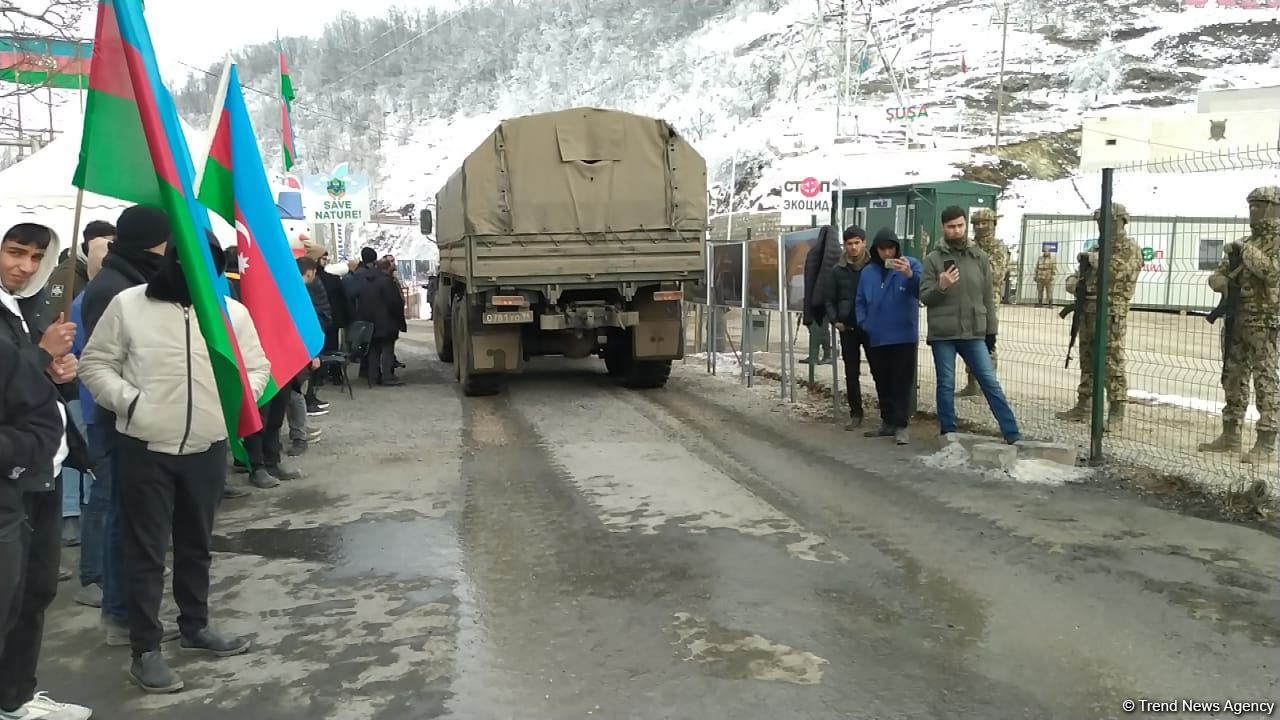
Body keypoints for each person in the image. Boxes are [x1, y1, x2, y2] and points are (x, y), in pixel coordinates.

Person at [80, 235, 270, 694]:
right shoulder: (129, 305)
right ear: (169, 259)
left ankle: (195, 626)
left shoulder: (230, 313)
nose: (194, 270)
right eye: (185, 259)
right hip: (145, 447)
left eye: (207, 262)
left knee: (196, 544)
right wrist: (132, 403)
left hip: (206, 447)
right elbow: (94, 365)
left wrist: (231, 408)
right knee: (144, 553)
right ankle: (145, 650)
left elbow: (257, 368)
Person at [0, 222, 93, 720]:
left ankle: (15, 696)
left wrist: (59, 373)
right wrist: (41, 354)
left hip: (43, 472)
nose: (26, 267)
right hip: (11, 479)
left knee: (35, 591)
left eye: (36, 258)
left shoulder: (19, 308)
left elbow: (27, 390)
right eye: (15, 253)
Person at [920, 207, 1021, 445]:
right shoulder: (933, 260)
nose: (956, 230)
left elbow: (988, 298)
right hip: (943, 333)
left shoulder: (979, 257)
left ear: (965, 226)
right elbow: (925, 296)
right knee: (946, 383)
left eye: (960, 225)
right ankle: (948, 432)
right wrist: (941, 285)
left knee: (989, 380)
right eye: (951, 226)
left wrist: (991, 332)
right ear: (943, 228)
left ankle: (1012, 433)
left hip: (973, 332)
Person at [1199, 186, 1279, 465]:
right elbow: (1217, 275)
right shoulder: (1243, 242)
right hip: (1236, 319)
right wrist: (1219, 281)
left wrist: (1246, 251)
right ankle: (1230, 433)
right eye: (1252, 206)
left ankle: (1266, 440)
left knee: (1265, 381)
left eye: (1260, 205)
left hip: (1265, 322)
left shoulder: (1271, 244)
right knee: (1233, 377)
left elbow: (1270, 272)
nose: (1254, 211)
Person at [1054, 203, 1142, 431]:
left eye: (1108, 221)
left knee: (1111, 360)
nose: (1103, 226)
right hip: (1088, 309)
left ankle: (1116, 410)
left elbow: (1117, 272)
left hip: (1111, 310)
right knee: (1087, 359)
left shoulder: (1129, 248)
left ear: (1121, 221)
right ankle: (1084, 404)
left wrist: (1095, 261)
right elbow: (1076, 276)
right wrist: (1074, 283)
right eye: (1099, 221)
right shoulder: (1096, 247)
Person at [856, 229, 923, 445]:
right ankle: (887, 422)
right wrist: (864, 322)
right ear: (875, 250)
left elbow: (924, 291)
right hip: (877, 335)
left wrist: (909, 275)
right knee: (882, 380)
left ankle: (901, 425)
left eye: (890, 248)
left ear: (897, 248)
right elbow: (859, 300)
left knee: (901, 382)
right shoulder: (868, 272)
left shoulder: (910, 264)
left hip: (903, 335)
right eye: (882, 249)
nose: (887, 253)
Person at [956, 208, 1009, 398]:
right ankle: (972, 384)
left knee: (986, 343)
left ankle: (987, 387)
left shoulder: (998, 248)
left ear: (993, 224)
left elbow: (994, 275)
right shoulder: (968, 246)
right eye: (976, 223)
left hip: (987, 302)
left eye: (984, 223)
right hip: (966, 300)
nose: (979, 227)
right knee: (968, 339)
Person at [824, 225, 872, 429]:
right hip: (848, 329)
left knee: (880, 371)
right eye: (849, 244)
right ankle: (856, 414)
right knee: (851, 373)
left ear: (864, 243)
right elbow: (829, 299)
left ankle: (888, 416)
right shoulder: (838, 270)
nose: (853, 247)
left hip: (871, 328)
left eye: (856, 243)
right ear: (844, 245)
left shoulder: (874, 267)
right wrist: (835, 320)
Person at [350, 248, 405, 386]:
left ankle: (373, 377)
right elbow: (394, 303)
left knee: (374, 350)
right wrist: (399, 319)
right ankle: (387, 377)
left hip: (371, 322)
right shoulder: (386, 282)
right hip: (386, 322)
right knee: (387, 349)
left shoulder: (367, 281)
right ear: (386, 269)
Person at [800, 226, 841, 365]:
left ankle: (826, 354)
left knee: (821, 328)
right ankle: (819, 354)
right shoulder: (838, 255)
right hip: (826, 298)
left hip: (820, 299)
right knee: (819, 327)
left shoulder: (815, 253)